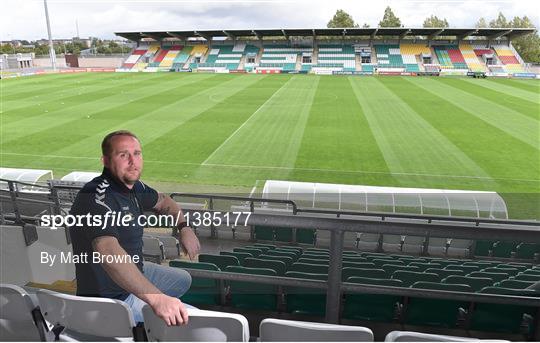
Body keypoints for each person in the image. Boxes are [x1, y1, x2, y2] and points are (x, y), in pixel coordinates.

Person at [69, 130, 200, 325]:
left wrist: (184, 227)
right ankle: (145, 325)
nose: (133, 161)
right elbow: (108, 252)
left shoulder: (134, 187)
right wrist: (157, 299)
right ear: (105, 160)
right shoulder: (95, 198)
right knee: (201, 323)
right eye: (123, 155)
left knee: (183, 280)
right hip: (112, 299)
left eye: (137, 153)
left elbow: (165, 202)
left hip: (136, 270)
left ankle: (150, 319)